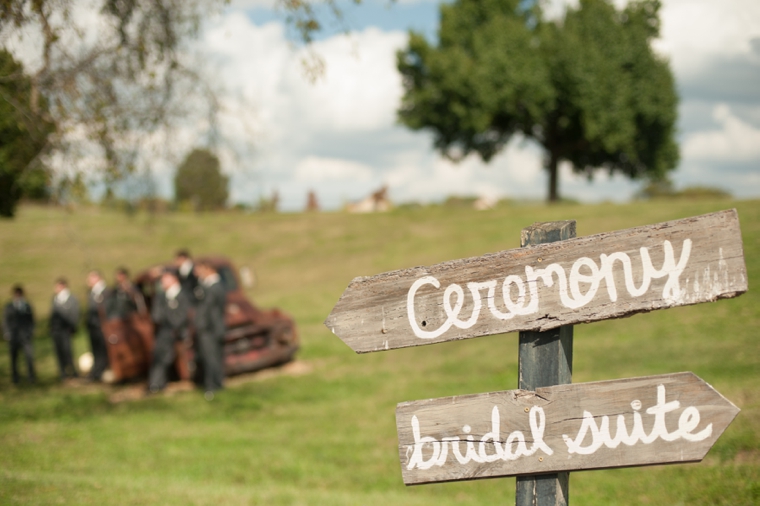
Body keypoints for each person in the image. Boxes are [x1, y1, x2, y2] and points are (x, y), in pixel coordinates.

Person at [147, 270, 190, 393]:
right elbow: (156, 316)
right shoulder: (161, 297)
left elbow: (182, 316)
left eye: (165, 279)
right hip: (165, 333)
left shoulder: (183, 295)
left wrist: (171, 319)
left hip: (179, 332)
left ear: (173, 279)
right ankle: (156, 383)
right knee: (159, 356)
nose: (162, 282)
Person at [194, 260, 226, 399]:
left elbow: (207, 309)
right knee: (213, 357)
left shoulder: (213, 288)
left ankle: (212, 385)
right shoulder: (211, 286)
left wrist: (199, 325)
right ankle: (217, 383)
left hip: (210, 329)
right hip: (212, 328)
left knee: (210, 358)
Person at [3, 285, 36, 385]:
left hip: (25, 336)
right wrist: (7, 333)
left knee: (29, 357)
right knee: (14, 358)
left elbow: (31, 320)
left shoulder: (27, 306)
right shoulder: (9, 306)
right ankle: (15, 377)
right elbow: (5, 321)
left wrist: (30, 331)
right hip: (13, 336)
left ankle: (31, 376)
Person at [50, 278, 80, 380]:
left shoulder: (71, 299)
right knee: (59, 351)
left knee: (68, 351)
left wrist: (72, 327)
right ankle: (62, 372)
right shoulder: (55, 299)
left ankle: (73, 371)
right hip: (56, 331)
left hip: (66, 330)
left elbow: (75, 314)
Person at [85, 270, 110, 381]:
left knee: (103, 349)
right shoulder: (92, 293)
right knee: (96, 350)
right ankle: (96, 371)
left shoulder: (106, 292)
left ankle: (102, 370)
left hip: (103, 327)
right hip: (93, 327)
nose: (88, 281)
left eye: (90, 278)